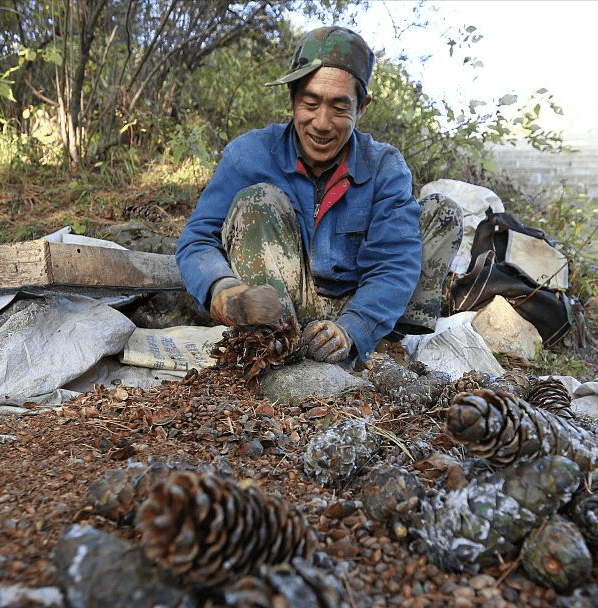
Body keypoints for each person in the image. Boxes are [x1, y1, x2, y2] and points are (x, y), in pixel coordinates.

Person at [175, 25, 463, 364]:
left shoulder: (385, 167)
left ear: (362, 107)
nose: (322, 123)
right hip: (282, 304)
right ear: (293, 98)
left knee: (442, 211)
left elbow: (394, 262)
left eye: (340, 108)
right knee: (259, 199)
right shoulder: (248, 155)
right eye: (310, 102)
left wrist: (353, 329)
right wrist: (224, 290)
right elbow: (197, 240)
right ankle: (276, 345)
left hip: (354, 306)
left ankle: (386, 345)